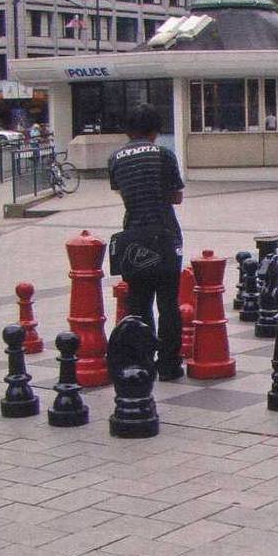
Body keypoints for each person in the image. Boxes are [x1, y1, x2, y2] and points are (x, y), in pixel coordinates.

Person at [107, 104, 186, 380]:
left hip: (132, 236)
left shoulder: (115, 158)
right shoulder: (164, 155)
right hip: (164, 234)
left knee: (138, 303)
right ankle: (169, 364)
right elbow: (176, 197)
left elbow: (122, 192)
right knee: (168, 303)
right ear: (155, 131)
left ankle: (142, 359)